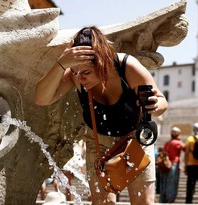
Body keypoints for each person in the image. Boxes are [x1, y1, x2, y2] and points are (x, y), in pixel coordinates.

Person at [34, 26, 168, 205]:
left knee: (144, 202)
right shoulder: (76, 74)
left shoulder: (126, 66)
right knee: (103, 203)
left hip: (135, 140)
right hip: (98, 142)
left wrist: (156, 105)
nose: (80, 78)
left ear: (103, 61)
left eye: (86, 72)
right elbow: (41, 99)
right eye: (75, 72)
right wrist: (61, 63)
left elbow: (162, 102)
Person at [158, 127, 185, 203]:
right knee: (172, 182)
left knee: (165, 181)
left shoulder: (167, 143)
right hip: (174, 164)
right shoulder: (178, 143)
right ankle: (170, 198)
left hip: (166, 164)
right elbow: (187, 150)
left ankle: (163, 198)